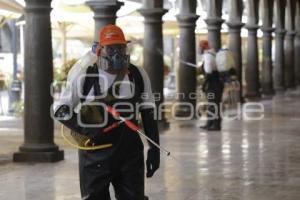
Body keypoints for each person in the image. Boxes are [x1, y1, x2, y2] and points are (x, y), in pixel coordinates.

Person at [54, 24, 159, 200]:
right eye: (111, 49)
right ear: (100, 49)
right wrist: (86, 129)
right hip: (95, 156)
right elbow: (60, 110)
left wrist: (154, 150)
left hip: (130, 155)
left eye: (120, 47)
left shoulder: (137, 74)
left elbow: (148, 112)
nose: (116, 53)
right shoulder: (85, 74)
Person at [199, 40, 224, 131]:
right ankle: (210, 123)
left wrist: (204, 84)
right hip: (216, 82)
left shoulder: (208, 56)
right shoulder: (212, 54)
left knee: (214, 104)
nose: (199, 49)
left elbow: (208, 72)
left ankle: (216, 124)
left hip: (213, 83)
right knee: (211, 103)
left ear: (203, 47)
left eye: (200, 46)